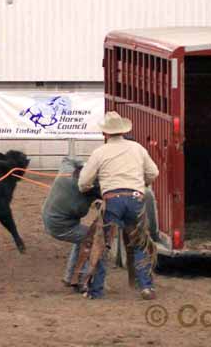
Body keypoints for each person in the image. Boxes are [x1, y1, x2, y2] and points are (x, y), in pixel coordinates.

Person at [78, 111, 159, 300]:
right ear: (123, 130)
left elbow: (83, 182)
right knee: (139, 244)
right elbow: (153, 172)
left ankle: (96, 290)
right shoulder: (137, 148)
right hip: (135, 199)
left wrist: (91, 187)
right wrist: (142, 183)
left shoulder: (100, 152)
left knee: (103, 244)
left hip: (112, 201)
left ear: (105, 133)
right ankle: (146, 287)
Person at [41, 157, 101, 289]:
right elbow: (102, 193)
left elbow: (67, 159)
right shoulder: (88, 188)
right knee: (93, 238)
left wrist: (85, 165)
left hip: (50, 216)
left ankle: (71, 277)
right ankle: (82, 280)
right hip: (60, 225)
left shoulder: (67, 169)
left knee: (83, 238)